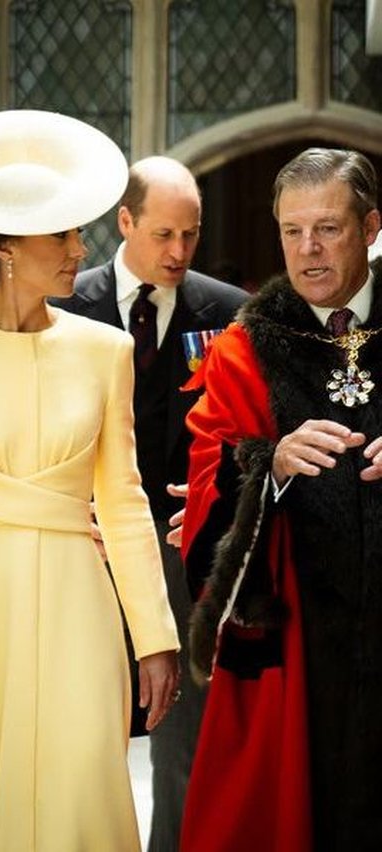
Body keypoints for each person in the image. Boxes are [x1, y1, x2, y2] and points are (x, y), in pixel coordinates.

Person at [0, 109, 180, 852]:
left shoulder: (106, 351)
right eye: (61, 234)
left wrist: (154, 636)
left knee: (81, 784)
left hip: (80, 610)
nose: (80, 250)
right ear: (6, 249)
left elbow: (124, 501)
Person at [179, 146, 382, 852]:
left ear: (370, 227)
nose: (308, 250)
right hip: (297, 646)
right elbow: (206, 487)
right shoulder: (242, 351)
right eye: (292, 232)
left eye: (327, 228)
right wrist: (268, 467)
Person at [51, 155, 246, 852]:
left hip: (180, 556)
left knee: (181, 741)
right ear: (124, 221)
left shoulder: (227, 312)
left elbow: (246, 432)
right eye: (164, 234)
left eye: (190, 236)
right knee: (79, 729)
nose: (179, 252)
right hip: (83, 549)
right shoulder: (63, 305)